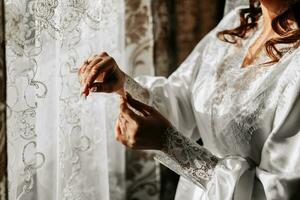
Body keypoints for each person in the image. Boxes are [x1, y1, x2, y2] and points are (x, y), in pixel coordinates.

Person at [78, 0, 300, 199]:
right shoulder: (238, 23)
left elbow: (275, 192)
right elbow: (182, 99)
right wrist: (124, 84)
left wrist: (171, 145)